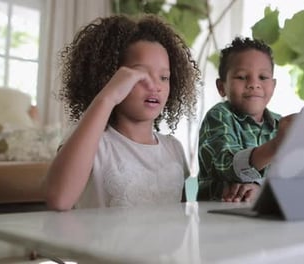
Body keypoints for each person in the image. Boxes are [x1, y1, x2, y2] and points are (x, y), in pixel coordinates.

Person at [44, 14, 200, 211]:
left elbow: (185, 217)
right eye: (140, 75)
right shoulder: (94, 144)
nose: (155, 86)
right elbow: (59, 199)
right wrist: (107, 97)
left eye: (164, 77)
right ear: (109, 78)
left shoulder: (174, 148)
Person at [197, 37, 295, 202]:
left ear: (274, 85)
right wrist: (276, 145)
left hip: (264, 220)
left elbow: (290, 179)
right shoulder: (219, 115)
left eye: (263, 77)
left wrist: (260, 188)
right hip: (215, 218)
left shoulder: (281, 124)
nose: (254, 84)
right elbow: (225, 164)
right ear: (222, 87)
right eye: (242, 77)